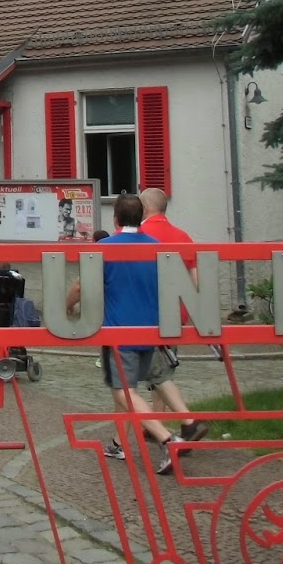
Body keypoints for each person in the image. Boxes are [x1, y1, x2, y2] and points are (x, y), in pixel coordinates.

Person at [74, 193, 182, 476]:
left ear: (116, 219)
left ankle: (167, 439)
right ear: (142, 216)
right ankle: (139, 439)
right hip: (150, 331)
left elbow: (82, 286)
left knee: (123, 391)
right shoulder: (156, 246)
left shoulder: (104, 248)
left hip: (119, 332)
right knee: (136, 388)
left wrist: (66, 307)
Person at [138, 188, 214, 433]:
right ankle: (158, 423)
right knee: (165, 369)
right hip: (175, 313)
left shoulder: (140, 235)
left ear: (144, 208)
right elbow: (195, 279)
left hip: (145, 313)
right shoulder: (182, 236)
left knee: (156, 373)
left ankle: (187, 422)